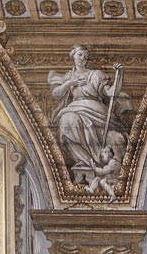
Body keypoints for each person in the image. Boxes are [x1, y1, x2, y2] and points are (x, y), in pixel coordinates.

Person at [48, 46, 130, 190]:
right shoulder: (69, 76)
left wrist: (120, 74)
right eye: (80, 55)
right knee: (67, 121)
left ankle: (99, 163)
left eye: (86, 56)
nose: (83, 58)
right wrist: (69, 83)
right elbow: (56, 93)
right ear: (73, 56)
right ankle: (86, 161)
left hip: (97, 111)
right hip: (75, 109)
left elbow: (111, 93)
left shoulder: (95, 74)